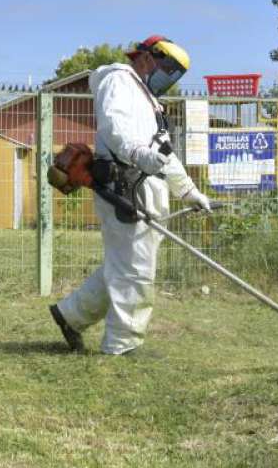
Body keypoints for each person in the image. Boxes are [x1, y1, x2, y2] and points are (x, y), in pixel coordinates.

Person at [50, 36, 211, 356]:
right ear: (149, 58)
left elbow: (163, 154)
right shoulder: (118, 81)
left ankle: (71, 314)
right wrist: (139, 154)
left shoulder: (148, 99)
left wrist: (189, 191)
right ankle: (122, 345)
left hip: (143, 187)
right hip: (123, 187)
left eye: (175, 73)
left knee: (124, 265)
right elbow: (114, 126)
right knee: (134, 270)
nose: (169, 77)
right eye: (168, 68)